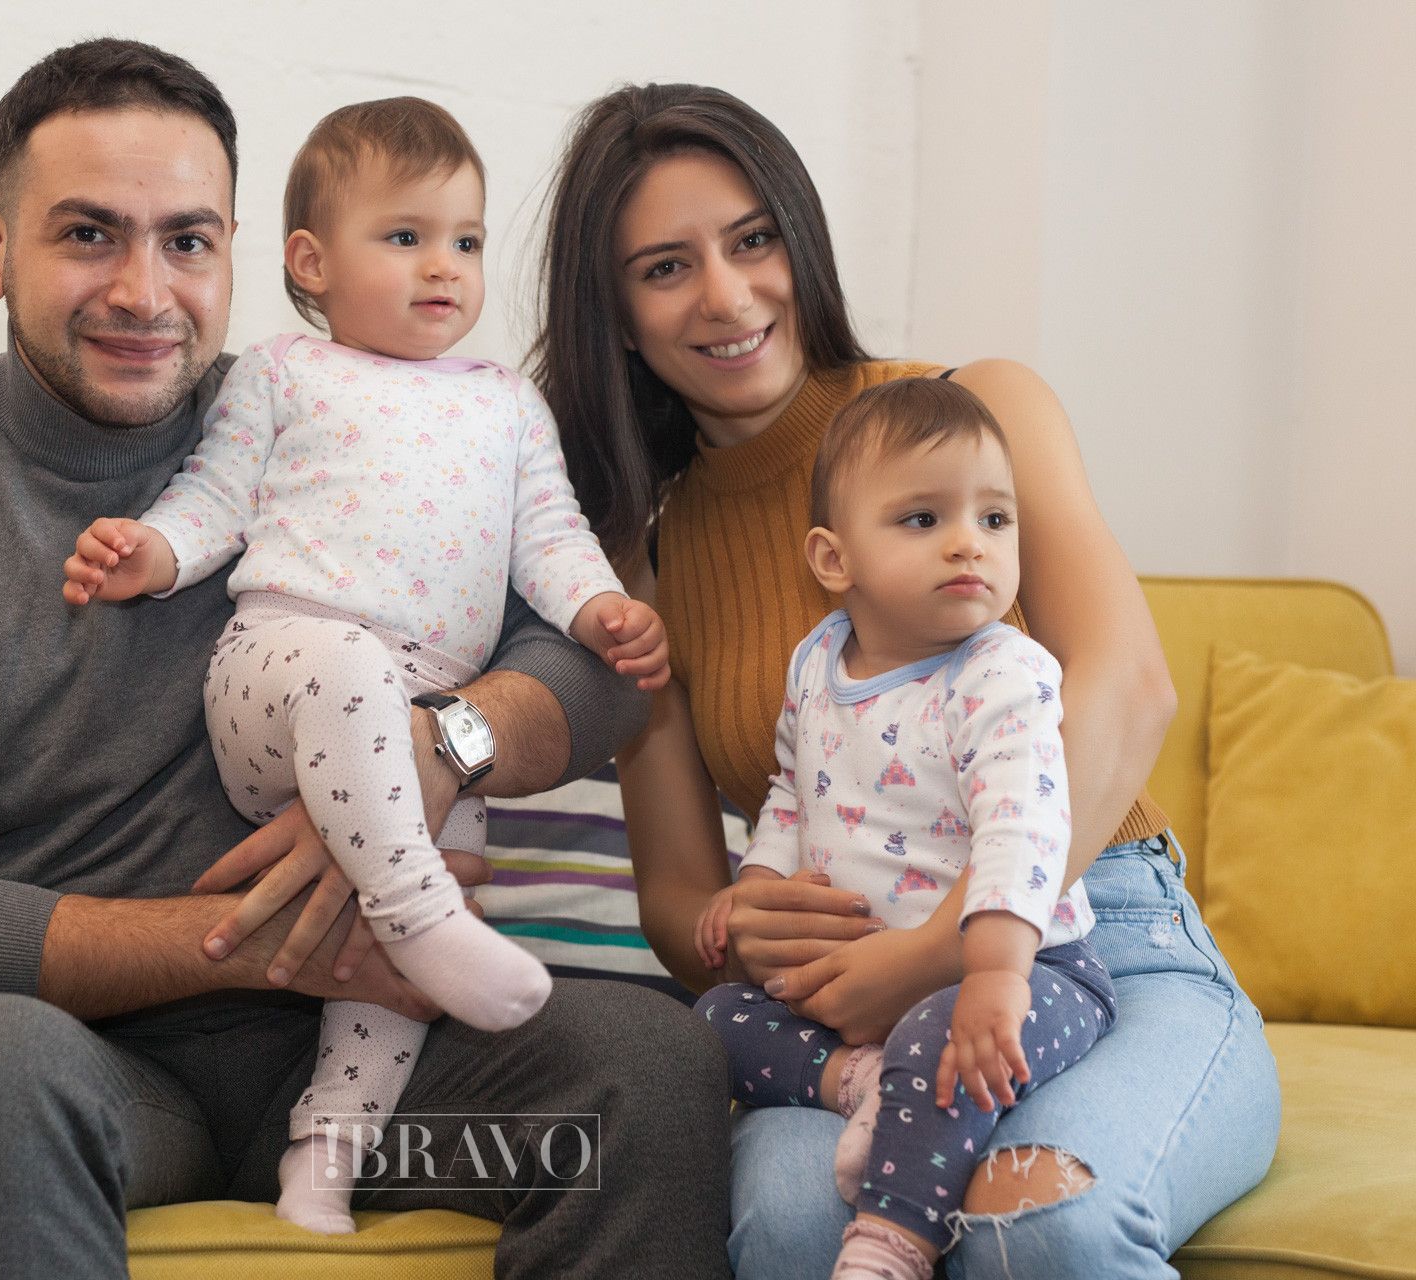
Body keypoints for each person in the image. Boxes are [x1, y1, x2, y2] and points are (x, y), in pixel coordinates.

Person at [0, 41, 731, 1280]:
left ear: (238, 251)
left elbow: (592, 672)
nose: (143, 291)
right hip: (88, 1077)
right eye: (87, 235)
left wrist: (444, 746)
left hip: (373, 1086)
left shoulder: (341, 418)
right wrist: (268, 939)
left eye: (186, 240)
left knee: (644, 1068)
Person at [531, 82, 1279, 1279]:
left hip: (1093, 943)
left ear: (801, 240)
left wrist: (940, 947)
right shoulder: (643, 561)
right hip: (848, 1015)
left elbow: (1132, 687)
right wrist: (741, 925)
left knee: (1042, 1223)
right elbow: (679, 899)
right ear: (616, 316)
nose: (727, 294)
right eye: (666, 268)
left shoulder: (981, 409)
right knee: (791, 1227)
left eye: (753, 239)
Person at [59, 96, 669, 1235]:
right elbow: (213, 498)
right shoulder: (283, 372)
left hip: (427, 725)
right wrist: (152, 553)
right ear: (312, 262)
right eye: (405, 236)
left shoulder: (508, 404)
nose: (444, 266)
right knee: (351, 679)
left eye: (466, 240)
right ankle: (416, 907)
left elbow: (551, 534)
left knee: (388, 988)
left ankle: (326, 1154)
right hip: (281, 674)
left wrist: (601, 609)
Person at [691, 377, 1117, 1280]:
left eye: (995, 519)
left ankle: (892, 1244)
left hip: (1032, 969)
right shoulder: (817, 663)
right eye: (923, 520)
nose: (969, 542)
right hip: (866, 999)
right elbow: (790, 795)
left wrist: (993, 972)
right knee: (713, 1022)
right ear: (833, 559)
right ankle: (865, 1086)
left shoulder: (1003, 675)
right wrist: (755, 888)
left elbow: (1024, 830)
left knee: (939, 1038)